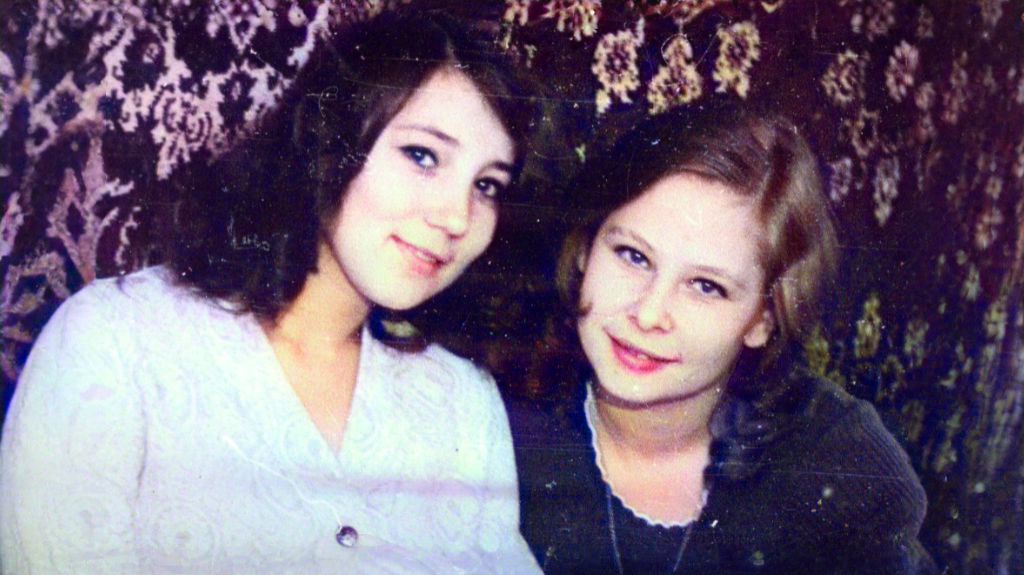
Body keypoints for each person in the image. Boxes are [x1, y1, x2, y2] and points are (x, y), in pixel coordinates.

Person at [1, 10, 542, 574]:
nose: (457, 217)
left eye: (487, 185)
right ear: (329, 141)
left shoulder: (463, 404)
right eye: (422, 156)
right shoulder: (115, 341)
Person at [511, 104, 935, 574]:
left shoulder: (832, 457)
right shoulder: (493, 429)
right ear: (586, 251)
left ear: (763, 320)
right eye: (633, 256)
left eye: (706, 287)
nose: (649, 315)